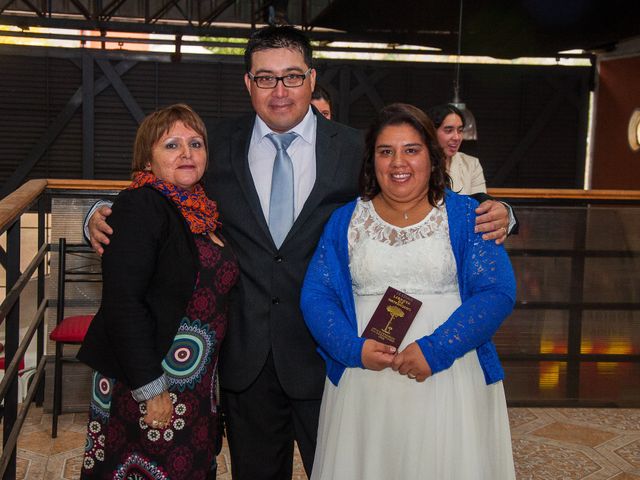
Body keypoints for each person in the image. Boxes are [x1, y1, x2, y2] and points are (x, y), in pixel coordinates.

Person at [85, 26, 512, 479]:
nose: (279, 90)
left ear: (311, 78)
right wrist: (98, 211)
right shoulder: (217, 146)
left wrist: (505, 212)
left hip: (332, 356)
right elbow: (164, 189)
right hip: (245, 358)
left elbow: (424, 193)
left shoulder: (355, 149)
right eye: (265, 78)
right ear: (248, 84)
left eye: (291, 76)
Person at [301, 103, 516, 479]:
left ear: (433, 159)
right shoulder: (346, 220)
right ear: (372, 162)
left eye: (411, 150)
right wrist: (353, 350)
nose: (398, 162)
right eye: (386, 151)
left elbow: (496, 292)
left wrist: (436, 349)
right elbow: (317, 295)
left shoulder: (468, 216)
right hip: (365, 380)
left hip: (448, 378)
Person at [77, 104, 239, 479]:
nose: (186, 152)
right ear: (147, 160)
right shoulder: (141, 204)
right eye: (171, 145)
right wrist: (151, 387)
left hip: (195, 386)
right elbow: (123, 302)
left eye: (195, 143)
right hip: (148, 380)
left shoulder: (205, 211)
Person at [427, 103, 486, 195]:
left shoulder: (471, 164)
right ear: (432, 132)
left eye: (460, 130)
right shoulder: (418, 163)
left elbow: (481, 203)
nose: (457, 137)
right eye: (449, 130)